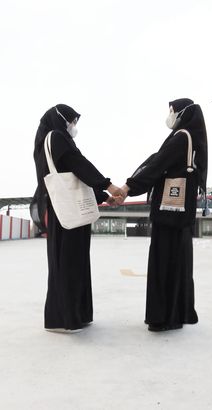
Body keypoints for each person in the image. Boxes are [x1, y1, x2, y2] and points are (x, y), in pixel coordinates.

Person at [31, 104, 122, 333]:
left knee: (74, 261)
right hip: (66, 213)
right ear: (61, 120)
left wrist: (102, 196)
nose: (74, 126)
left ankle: (76, 314)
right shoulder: (56, 137)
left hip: (68, 210)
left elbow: (75, 177)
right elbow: (77, 165)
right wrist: (108, 185)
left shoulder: (55, 139)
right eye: (72, 121)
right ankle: (64, 319)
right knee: (69, 262)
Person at [120, 98, 208, 331]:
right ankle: (176, 314)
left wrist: (129, 187)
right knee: (177, 263)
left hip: (168, 213)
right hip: (181, 214)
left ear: (182, 113)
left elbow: (158, 164)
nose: (169, 115)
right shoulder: (193, 137)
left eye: (172, 111)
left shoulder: (181, 137)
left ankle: (163, 317)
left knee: (163, 262)